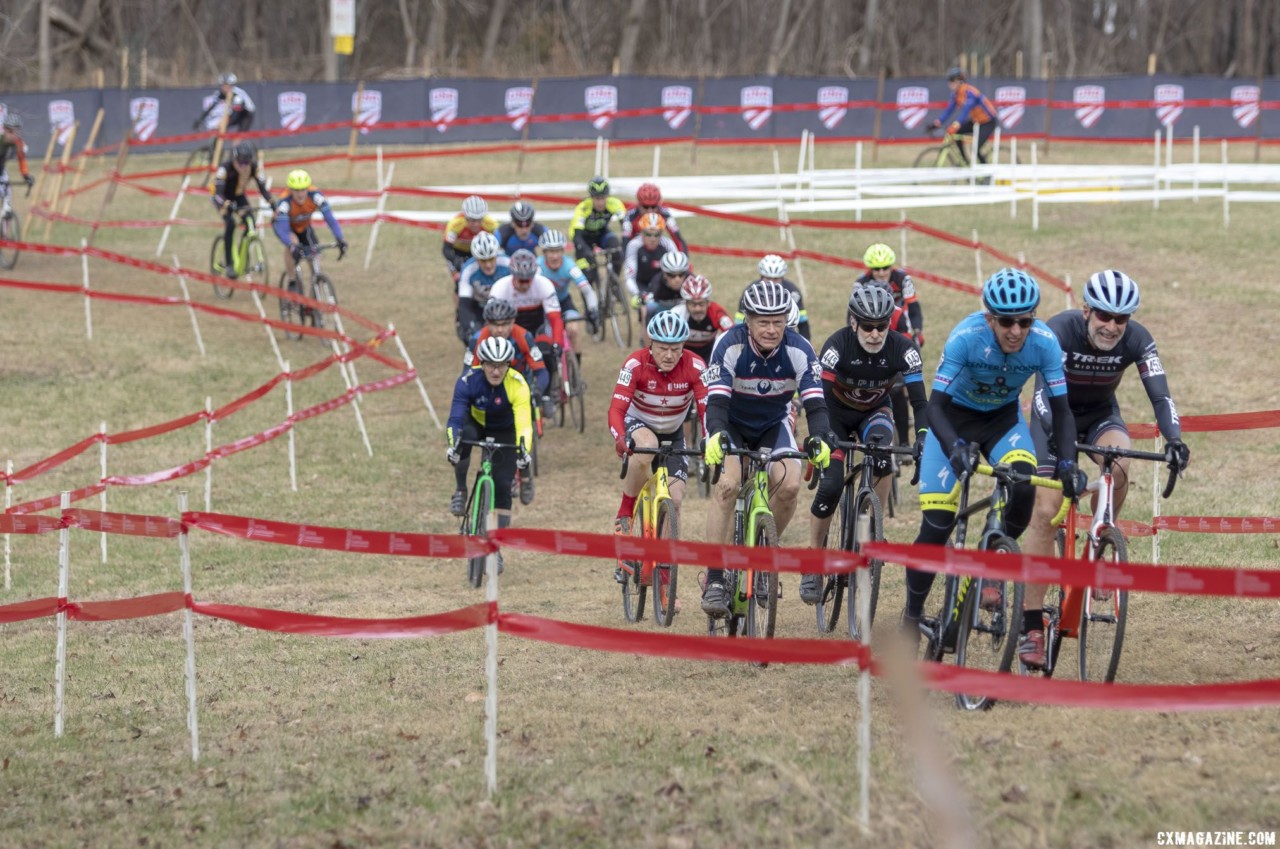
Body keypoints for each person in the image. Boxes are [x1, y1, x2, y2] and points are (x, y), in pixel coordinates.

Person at [1017, 269, 1190, 668]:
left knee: (1122, 464)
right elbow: (1041, 396)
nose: (1112, 326)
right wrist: (1061, 456)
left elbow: (1161, 396)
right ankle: (1030, 625)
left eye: (1121, 318)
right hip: (1051, 417)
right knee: (1045, 512)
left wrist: (1175, 438)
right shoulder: (1058, 331)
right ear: (1086, 310)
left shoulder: (1138, 340)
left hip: (1098, 416)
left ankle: (1099, 540)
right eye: (1104, 316)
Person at [901, 269, 1083, 643]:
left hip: (1002, 421)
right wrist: (953, 446)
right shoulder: (966, 338)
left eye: (1024, 321)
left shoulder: (1045, 343)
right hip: (953, 422)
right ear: (990, 318)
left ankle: (991, 555)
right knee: (937, 523)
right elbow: (935, 408)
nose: (1015, 330)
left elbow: (1063, 412)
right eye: (1006, 322)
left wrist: (1067, 463)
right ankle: (912, 615)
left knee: (1022, 484)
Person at [700, 280, 833, 619]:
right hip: (731, 424)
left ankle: (762, 550)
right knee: (728, 486)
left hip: (773, 425)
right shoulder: (728, 345)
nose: (772, 329)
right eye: (763, 322)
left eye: (778, 321)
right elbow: (715, 403)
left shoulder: (800, 349)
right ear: (748, 321)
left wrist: (819, 438)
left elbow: (816, 406)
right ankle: (715, 576)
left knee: (789, 486)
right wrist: (716, 434)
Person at [799, 285, 929, 603]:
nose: (874, 334)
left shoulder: (903, 349)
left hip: (874, 412)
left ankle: (873, 525)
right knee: (830, 485)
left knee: (884, 456)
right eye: (867, 326)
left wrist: (923, 436)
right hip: (835, 415)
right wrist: (820, 433)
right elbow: (817, 396)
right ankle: (813, 562)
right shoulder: (836, 346)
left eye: (881, 326)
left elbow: (920, 403)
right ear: (854, 322)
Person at [608, 311, 709, 581]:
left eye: (675, 349)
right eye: (663, 348)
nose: (669, 355)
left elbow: (706, 409)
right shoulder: (635, 365)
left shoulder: (696, 367)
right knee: (648, 446)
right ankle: (625, 514)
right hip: (638, 425)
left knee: (675, 502)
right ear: (650, 344)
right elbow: (616, 409)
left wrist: (709, 439)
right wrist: (619, 438)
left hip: (674, 434)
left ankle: (665, 581)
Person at [446, 335, 534, 571]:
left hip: (505, 430)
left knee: (504, 484)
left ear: (509, 364)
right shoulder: (467, 381)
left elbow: (525, 423)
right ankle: (461, 490)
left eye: (502, 365)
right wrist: (453, 445)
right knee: (462, 440)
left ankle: (495, 548)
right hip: (475, 424)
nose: (496, 371)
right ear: (481, 364)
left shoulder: (518, 384)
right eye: (491, 365)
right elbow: (455, 418)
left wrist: (524, 450)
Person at [855, 243, 926, 449]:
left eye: (886, 268)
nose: (882, 273)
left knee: (902, 384)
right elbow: (853, 315)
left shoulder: (903, 279)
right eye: (877, 269)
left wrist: (918, 332)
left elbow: (914, 307)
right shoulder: (860, 283)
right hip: (873, 330)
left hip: (899, 325)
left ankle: (904, 434)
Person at [487, 249, 566, 417]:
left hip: (538, 326)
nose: (524, 284)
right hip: (511, 329)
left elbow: (555, 319)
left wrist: (558, 343)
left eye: (528, 280)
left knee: (547, 351)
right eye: (520, 280)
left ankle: (545, 395)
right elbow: (492, 321)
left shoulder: (543, 284)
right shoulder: (500, 288)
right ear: (512, 275)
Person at [462, 298, 550, 400]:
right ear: (487, 323)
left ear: (513, 322)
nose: (499, 330)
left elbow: (541, 371)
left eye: (504, 324)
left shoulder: (524, 337)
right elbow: (467, 374)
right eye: (495, 324)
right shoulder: (477, 340)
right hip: (488, 387)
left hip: (520, 386)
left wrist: (538, 390)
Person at [272, 169, 347, 285]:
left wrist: (340, 238)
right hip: (285, 228)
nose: (300, 194)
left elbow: (330, 219)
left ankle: (315, 285)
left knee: (315, 258)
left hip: (303, 226)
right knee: (293, 242)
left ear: (308, 188)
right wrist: (292, 246)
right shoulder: (284, 203)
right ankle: (292, 281)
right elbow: (283, 230)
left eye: (303, 189)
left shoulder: (315, 196)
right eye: (296, 190)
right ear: (290, 190)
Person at [210, 141, 271, 279]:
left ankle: (243, 255)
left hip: (238, 196)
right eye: (241, 163)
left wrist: (273, 203)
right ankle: (229, 263)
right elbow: (217, 194)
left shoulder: (253, 168)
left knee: (250, 221)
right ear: (234, 159)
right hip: (222, 196)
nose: (244, 167)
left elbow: (263, 189)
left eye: (247, 163)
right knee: (230, 224)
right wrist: (226, 204)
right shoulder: (225, 169)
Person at [536, 229, 599, 359]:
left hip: (564, 302)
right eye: (551, 252)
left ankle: (576, 374)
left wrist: (593, 309)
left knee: (574, 330)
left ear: (563, 251)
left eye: (558, 251)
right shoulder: (538, 267)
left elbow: (587, 290)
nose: (555, 256)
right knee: (547, 337)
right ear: (544, 253)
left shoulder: (570, 265)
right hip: (543, 305)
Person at [930, 67, 999, 165]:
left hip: (988, 122)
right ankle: (965, 162)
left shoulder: (970, 92)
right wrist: (937, 123)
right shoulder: (956, 94)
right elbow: (949, 110)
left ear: (959, 81)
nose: (950, 83)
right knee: (957, 134)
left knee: (975, 148)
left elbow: (965, 111)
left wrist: (956, 124)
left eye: (952, 80)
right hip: (977, 121)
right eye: (949, 81)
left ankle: (987, 174)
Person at [569, 176, 627, 288]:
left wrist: (625, 244)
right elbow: (577, 236)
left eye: (603, 198)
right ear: (591, 197)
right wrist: (585, 250)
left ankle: (613, 284)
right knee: (587, 275)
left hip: (601, 233)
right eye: (597, 198)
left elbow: (625, 226)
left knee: (616, 251)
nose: (600, 202)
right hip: (583, 238)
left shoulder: (615, 204)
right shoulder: (583, 207)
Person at [455, 230, 511, 344]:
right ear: (476, 259)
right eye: (483, 260)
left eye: (491, 259)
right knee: (471, 337)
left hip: (505, 309)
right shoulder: (468, 270)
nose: (488, 265)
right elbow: (464, 306)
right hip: (479, 309)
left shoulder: (507, 263)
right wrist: (471, 328)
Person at [737, 255, 810, 340]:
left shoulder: (793, 292)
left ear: (782, 278)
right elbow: (739, 323)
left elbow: (802, 323)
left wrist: (807, 344)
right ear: (761, 277)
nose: (771, 282)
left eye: (776, 279)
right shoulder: (750, 292)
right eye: (768, 278)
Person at [669, 274, 734, 364]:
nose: (697, 309)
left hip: (710, 354)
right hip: (682, 355)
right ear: (686, 303)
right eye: (693, 304)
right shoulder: (676, 314)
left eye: (701, 304)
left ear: (708, 303)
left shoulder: (717, 313)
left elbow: (733, 336)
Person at [624, 214, 681, 314]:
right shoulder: (634, 245)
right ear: (641, 233)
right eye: (648, 234)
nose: (652, 238)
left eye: (656, 234)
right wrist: (636, 294)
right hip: (642, 285)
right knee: (646, 312)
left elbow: (679, 266)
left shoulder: (667, 244)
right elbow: (629, 276)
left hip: (663, 285)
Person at [443, 195, 498, 292]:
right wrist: (455, 260)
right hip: (459, 253)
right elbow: (446, 249)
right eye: (472, 220)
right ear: (465, 217)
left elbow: (497, 245)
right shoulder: (455, 224)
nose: (476, 224)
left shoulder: (491, 224)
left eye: (479, 220)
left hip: (480, 252)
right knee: (459, 283)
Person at [621, 182, 688, 253]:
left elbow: (678, 239)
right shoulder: (630, 214)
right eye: (645, 207)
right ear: (639, 204)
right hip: (637, 250)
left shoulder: (664, 213)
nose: (650, 211)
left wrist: (683, 260)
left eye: (654, 206)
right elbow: (626, 241)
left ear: (659, 204)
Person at [0, 113, 34, 199]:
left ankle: (7, 211)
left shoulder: (18, 144)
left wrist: (25, 175)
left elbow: (21, 159)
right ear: (4, 130)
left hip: (1, 169)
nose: (13, 135)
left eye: (16, 131)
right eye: (10, 131)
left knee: (7, 193)